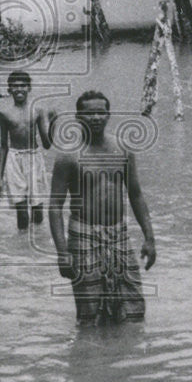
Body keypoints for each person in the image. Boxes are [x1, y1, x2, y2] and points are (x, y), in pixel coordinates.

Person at [49, 90, 156, 326]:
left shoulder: (122, 148)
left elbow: (136, 194)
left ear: (108, 115)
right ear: (78, 117)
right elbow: (55, 205)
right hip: (83, 233)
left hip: (118, 233)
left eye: (101, 112)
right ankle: (91, 360)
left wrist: (150, 237)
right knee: (89, 313)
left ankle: (122, 356)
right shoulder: (68, 155)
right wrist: (62, 252)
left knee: (133, 307)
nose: (96, 118)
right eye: (89, 113)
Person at [0, 71, 52, 230]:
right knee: (21, 210)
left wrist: (53, 123)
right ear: (9, 90)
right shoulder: (4, 113)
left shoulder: (37, 111)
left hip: (34, 158)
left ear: (29, 88)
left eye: (22, 85)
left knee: (37, 208)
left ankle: (38, 238)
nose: (19, 89)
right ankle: (22, 244)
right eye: (14, 86)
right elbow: (3, 145)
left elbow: (47, 144)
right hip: (14, 159)